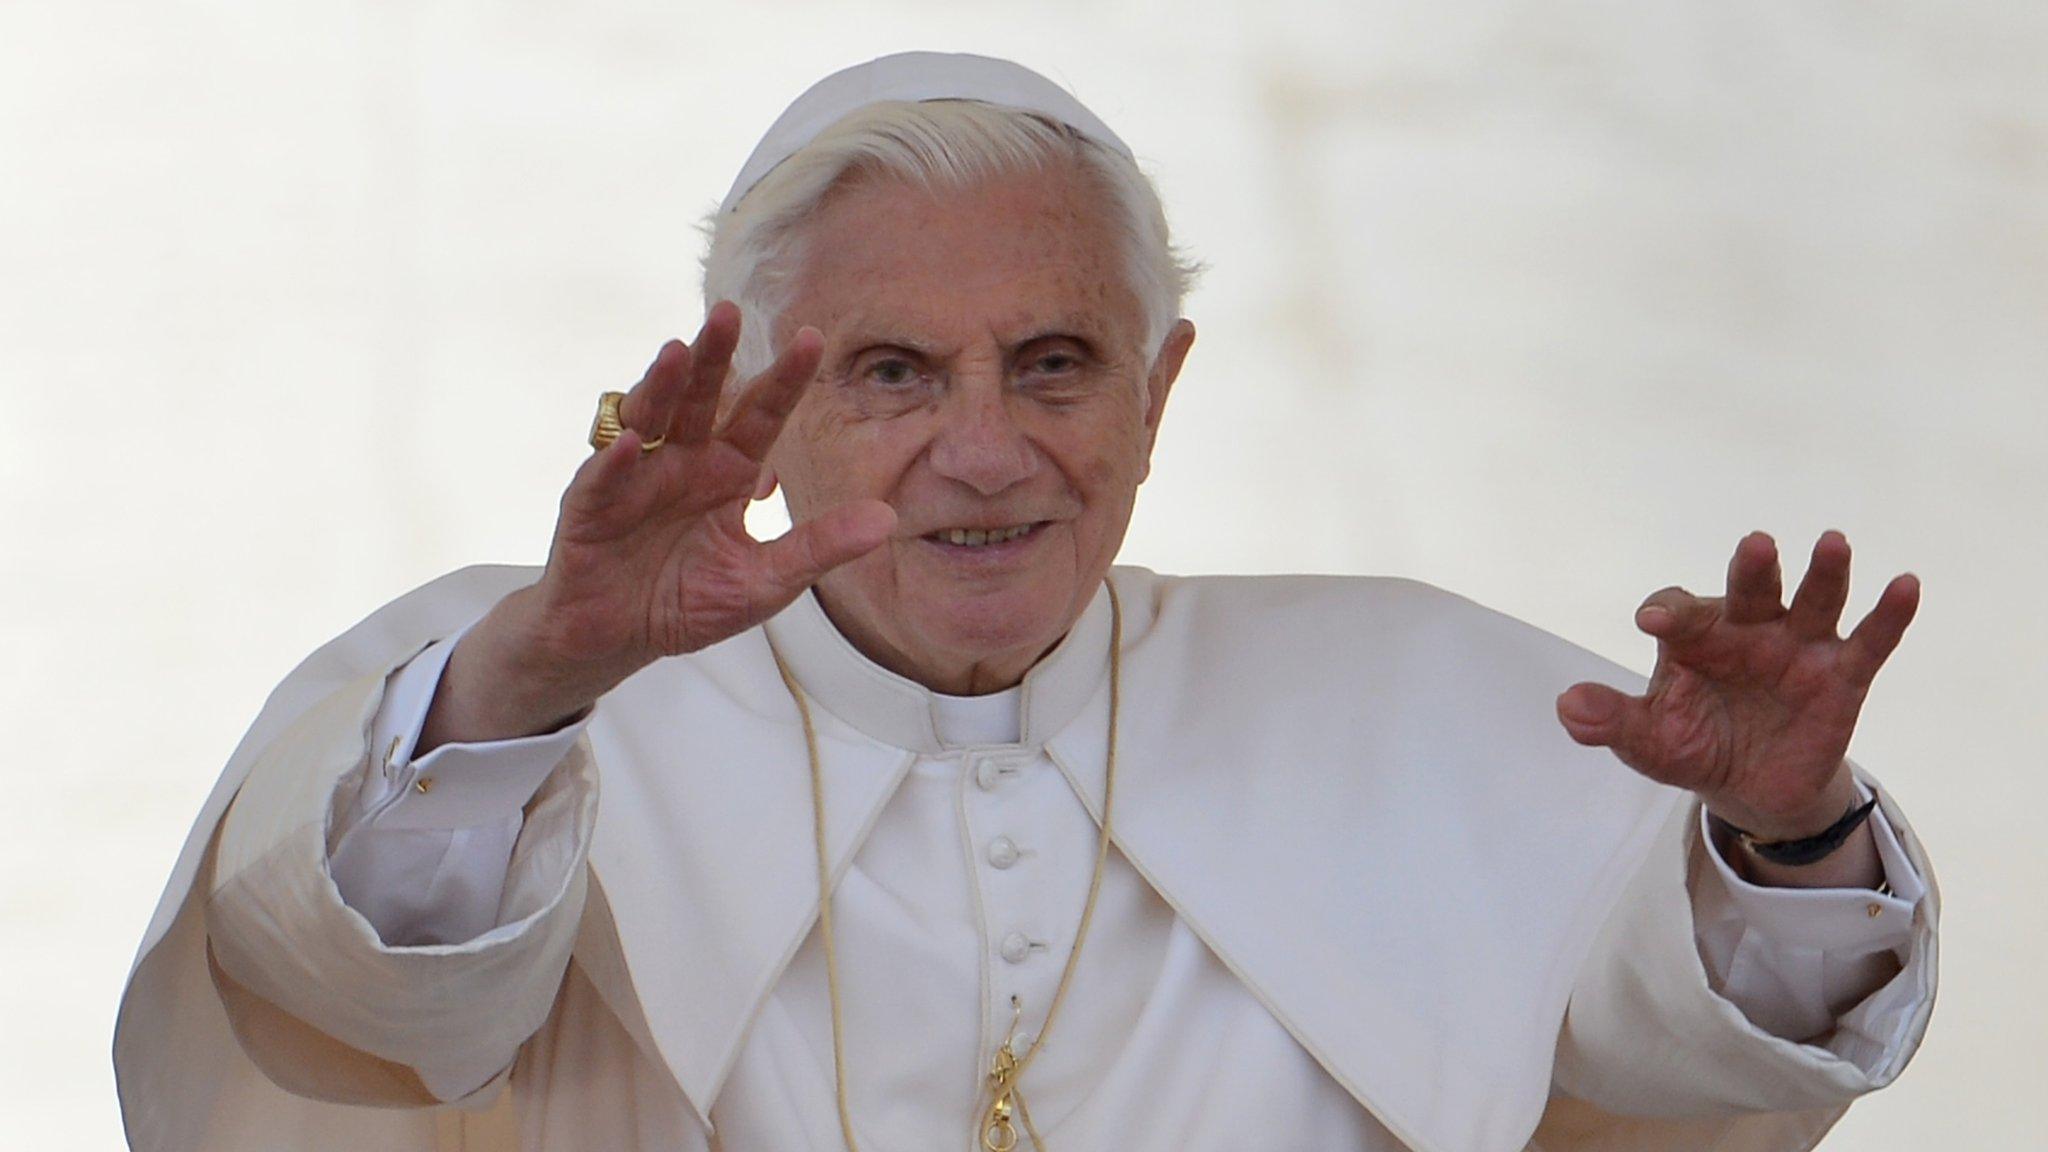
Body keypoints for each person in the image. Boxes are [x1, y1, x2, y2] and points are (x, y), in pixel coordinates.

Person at [114, 52, 1936, 1152]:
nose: (985, 456)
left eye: (1056, 365)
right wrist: (534, 686)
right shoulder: (530, 682)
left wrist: (1781, 839)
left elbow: (1681, 1069)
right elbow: (357, 999)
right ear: (762, 398)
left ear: (1161, 388)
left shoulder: (1405, 690)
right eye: (895, 372)